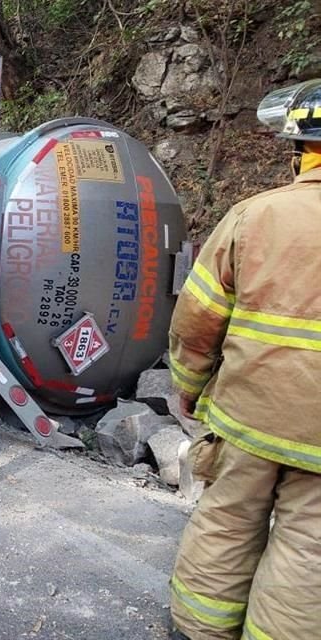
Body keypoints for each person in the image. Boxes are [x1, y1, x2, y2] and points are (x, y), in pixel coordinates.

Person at [167, 79, 321, 640]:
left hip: (248, 415)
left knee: (228, 519)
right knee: (309, 549)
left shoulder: (255, 216)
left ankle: (197, 628)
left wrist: (188, 385)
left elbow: (198, 316)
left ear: (301, 150)